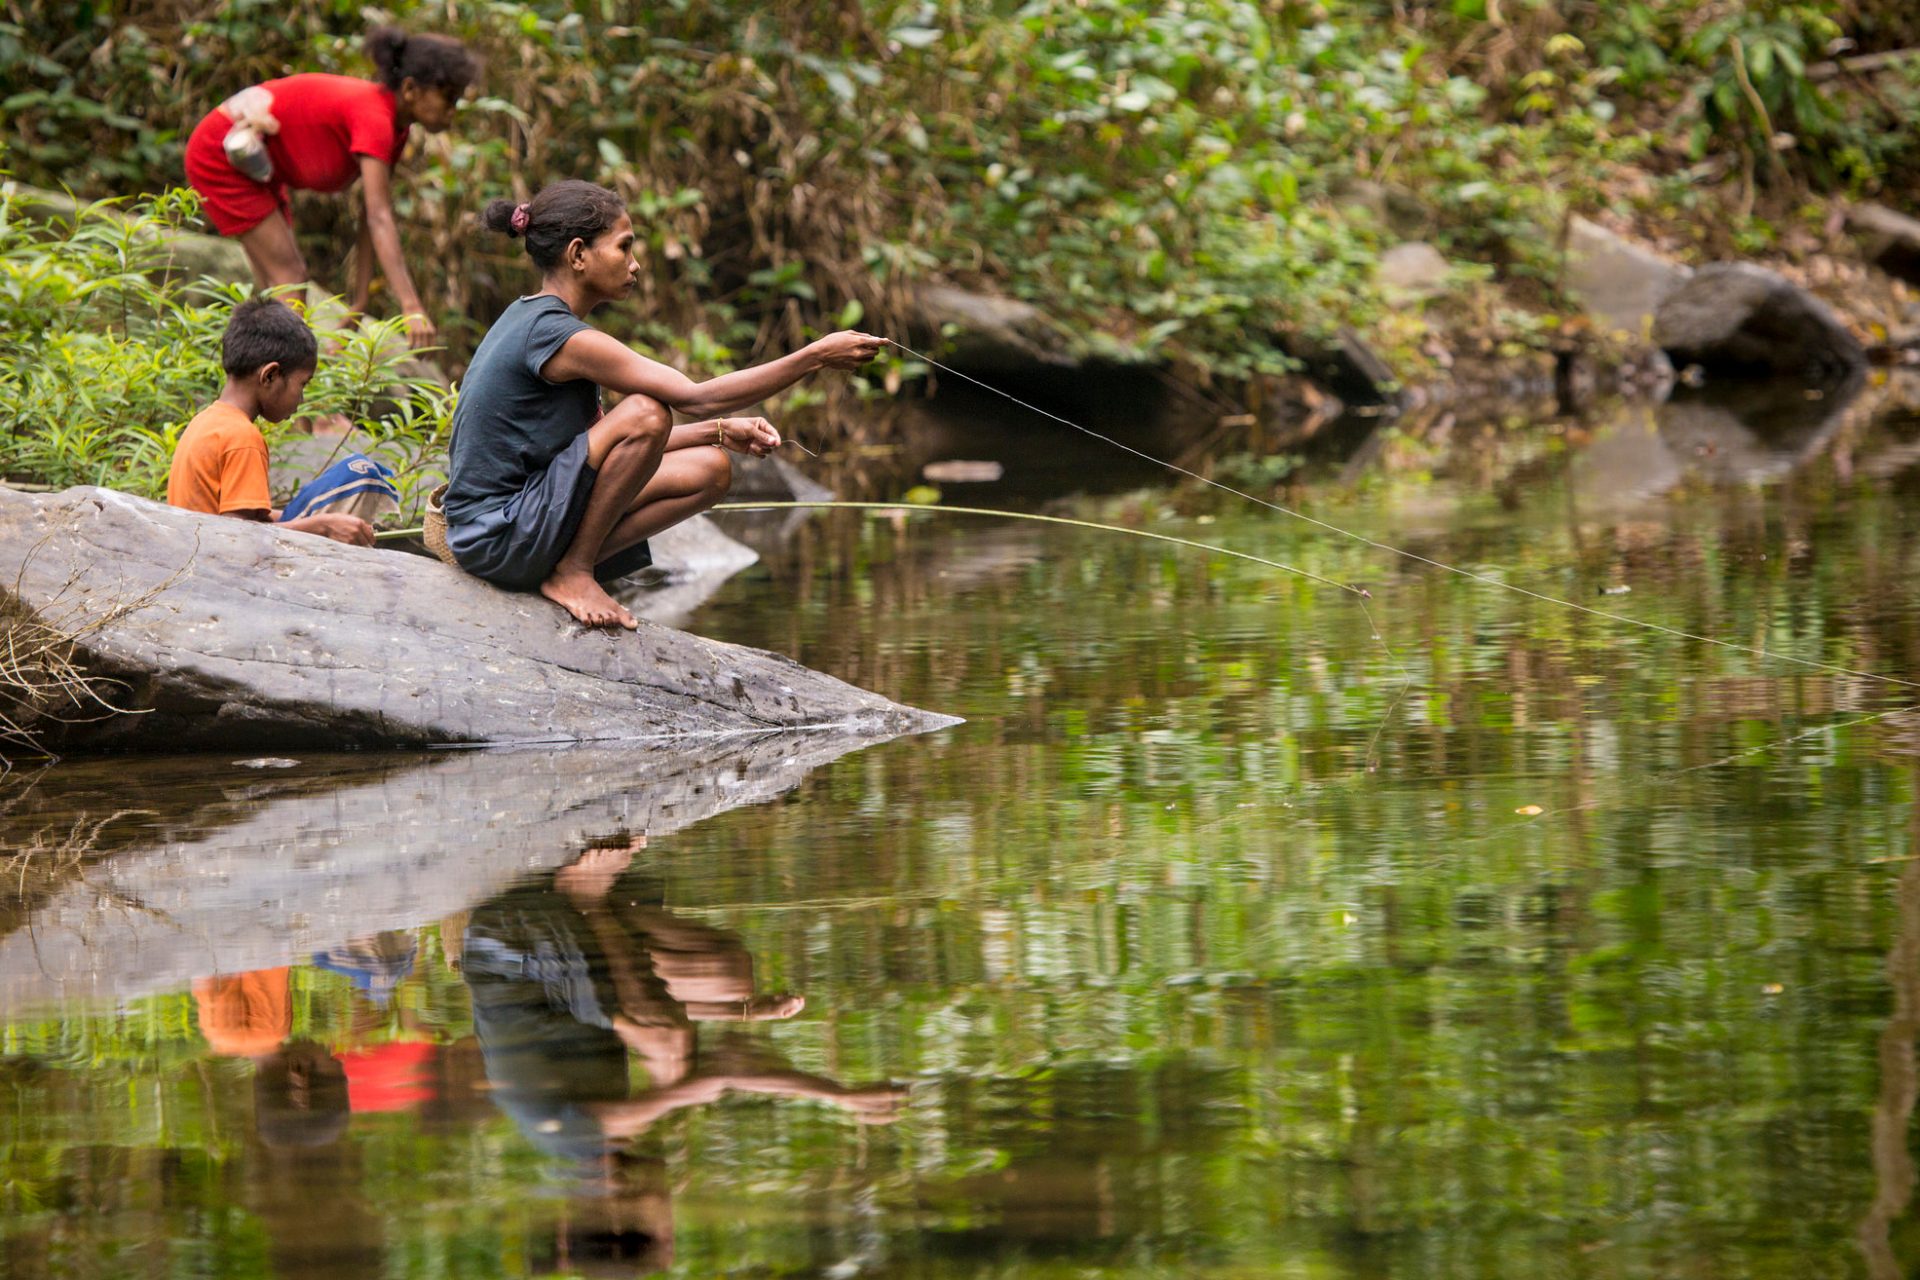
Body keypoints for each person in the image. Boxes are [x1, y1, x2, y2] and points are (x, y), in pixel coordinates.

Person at [442, 179, 886, 629]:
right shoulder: (557, 334)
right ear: (578, 255)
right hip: (495, 538)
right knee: (647, 411)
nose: (635, 266)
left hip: (521, 521)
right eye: (624, 248)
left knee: (710, 469)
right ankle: (572, 570)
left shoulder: (537, 318)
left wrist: (719, 432)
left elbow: (597, 451)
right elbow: (696, 397)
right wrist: (814, 356)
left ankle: (573, 565)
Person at [182, 26, 478, 349]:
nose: (453, 109)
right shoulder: (376, 118)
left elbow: (371, 214)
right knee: (291, 279)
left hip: (257, 165)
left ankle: (263, 375)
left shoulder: (395, 128)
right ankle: (287, 383)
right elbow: (380, 217)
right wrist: (411, 307)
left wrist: (359, 303)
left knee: (276, 285)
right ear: (410, 89)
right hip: (223, 151)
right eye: (448, 98)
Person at [166, 297, 394, 546]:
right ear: (270, 375)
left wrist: (320, 521)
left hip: (191, 553)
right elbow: (237, 538)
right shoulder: (243, 437)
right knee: (357, 472)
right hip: (216, 567)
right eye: (302, 384)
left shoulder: (207, 421)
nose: (302, 399)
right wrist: (323, 526)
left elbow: (245, 518)